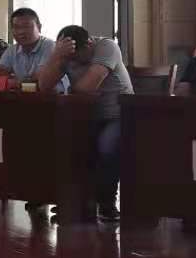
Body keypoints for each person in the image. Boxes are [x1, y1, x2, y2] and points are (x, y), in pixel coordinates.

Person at [39, 25, 135, 222]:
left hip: (119, 115)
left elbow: (88, 87)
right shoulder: (65, 55)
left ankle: (107, 203)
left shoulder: (106, 47)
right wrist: (56, 56)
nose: (73, 62)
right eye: (70, 57)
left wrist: (71, 87)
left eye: (77, 57)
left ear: (89, 44)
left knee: (107, 145)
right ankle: (75, 202)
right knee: (64, 143)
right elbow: (44, 85)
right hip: (85, 116)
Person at [0, 7, 60, 89]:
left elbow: (39, 79)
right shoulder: (12, 50)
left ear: (39, 27)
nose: (21, 32)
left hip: (53, 95)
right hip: (26, 95)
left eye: (27, 27)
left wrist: (13, 82)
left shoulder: (49, 46)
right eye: (16, 27)